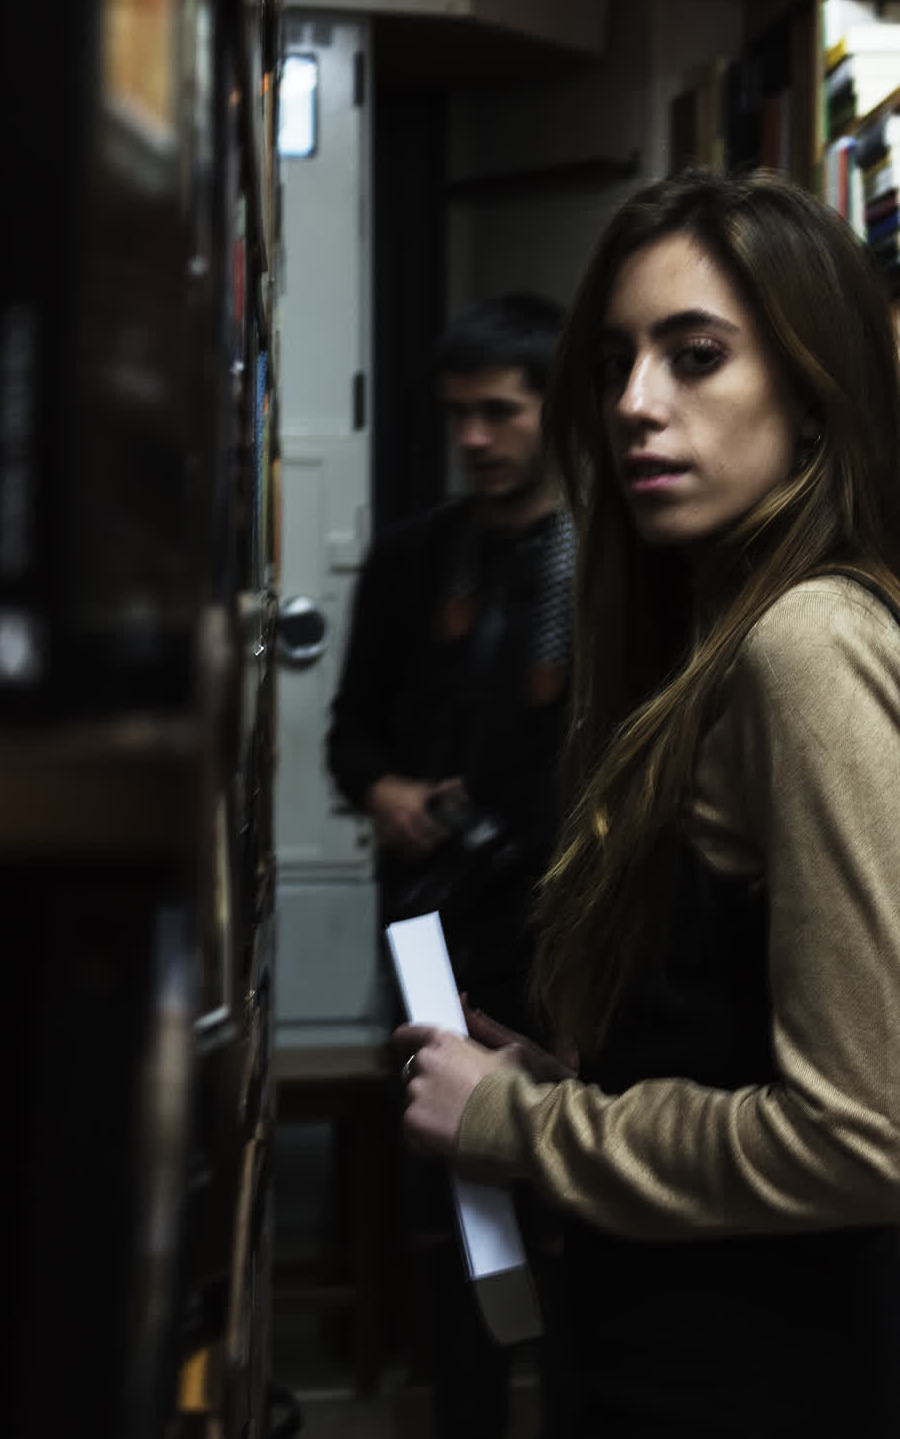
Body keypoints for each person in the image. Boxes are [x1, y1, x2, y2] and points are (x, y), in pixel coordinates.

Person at [392, 168, 900, 1438]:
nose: (633, 405)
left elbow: (869, 1140)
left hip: (770, 1384)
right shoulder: (730, 630)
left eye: (697, 356)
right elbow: (752, 1041)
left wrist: (529, 1123)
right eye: (615, 361)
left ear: (816, 385)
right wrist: (584, 1082)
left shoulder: (810, 643)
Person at [326, 290, 573, 1439]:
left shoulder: (616, 565)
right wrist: (385, 794)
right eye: (458, 416)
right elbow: (352, 732)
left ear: (554, 408)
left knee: (579, 1216)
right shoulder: (415, 559)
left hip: (571, 934)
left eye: (500, 413)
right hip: (434, 935)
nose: (474, 437)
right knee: (454, 1222)